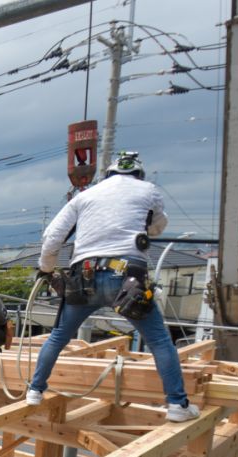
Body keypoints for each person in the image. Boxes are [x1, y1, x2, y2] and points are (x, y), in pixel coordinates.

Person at [27, 151, 199, 422]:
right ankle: (177, 404)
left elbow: (52, 236)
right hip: (127, 279)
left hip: (85, 277)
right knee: (159, 341)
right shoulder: (148, 190)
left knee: (59, 336)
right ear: (138, 174)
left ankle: (35, 390)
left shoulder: (85, 196)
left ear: (108, 174)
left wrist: (46, 269)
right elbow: (158, 225)